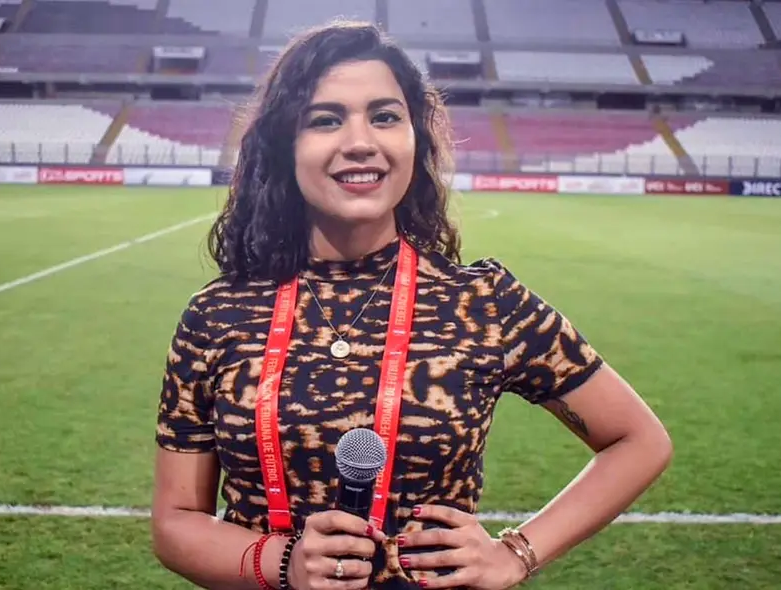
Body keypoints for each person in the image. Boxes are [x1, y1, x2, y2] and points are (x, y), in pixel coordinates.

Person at [151, 20, 672, 590]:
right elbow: (176, 523)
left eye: (385, 116)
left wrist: (516, 553)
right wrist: (281, 563)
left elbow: (638, 441)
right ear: (285, 144)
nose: (360, 141)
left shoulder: (484, 302)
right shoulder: (217, 315)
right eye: (326, 119)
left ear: (414, 137)